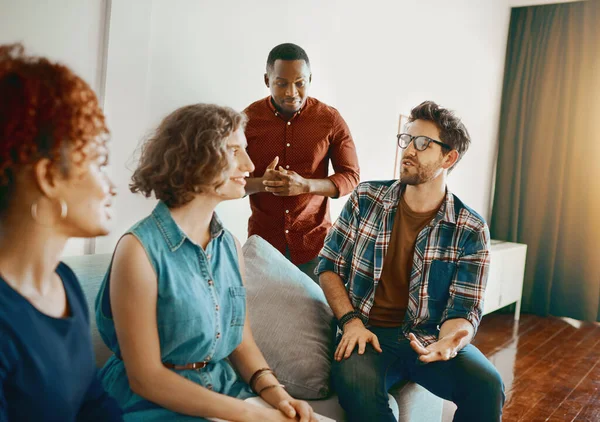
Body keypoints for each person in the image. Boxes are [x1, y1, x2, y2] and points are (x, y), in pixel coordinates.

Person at [95, 104, 317, 422]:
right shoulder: (138, 251)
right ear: (194, 158)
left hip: (223, 389)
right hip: (151, 405)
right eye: (233, 151)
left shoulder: (230, 247)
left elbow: (240, 339)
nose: (249, 164)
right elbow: (145, 379)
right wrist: (253, 416)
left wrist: (279, 396)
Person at [317, 101, 505, 422]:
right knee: (357, 388)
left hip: (428, 336)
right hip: (368, 332)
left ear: (448, 157)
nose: (409, 150)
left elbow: (464, 310)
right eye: (407, 139)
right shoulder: (366, 199)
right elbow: (329, 266)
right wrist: (351, 322)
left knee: (488, 385)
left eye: (422, 143)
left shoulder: (470, 228)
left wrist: (448, 342)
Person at [0, 44, 122, 421]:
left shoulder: (64, 283)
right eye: (98, 163)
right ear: (48, 176)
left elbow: (94, 405)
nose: (111, 186)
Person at [244, 43, 360, 283]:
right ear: (267, 80)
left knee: (319, 320)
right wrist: (263, 184)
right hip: (262, 247)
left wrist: (306, 185)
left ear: (310, 79)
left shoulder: (330, 119)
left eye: (300, 83)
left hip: (315, 247)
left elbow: (351, 177)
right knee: (259, 319)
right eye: (281, 83)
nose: (291, 92)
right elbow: (225, 182)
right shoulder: (246, 121)